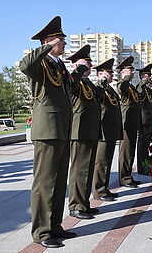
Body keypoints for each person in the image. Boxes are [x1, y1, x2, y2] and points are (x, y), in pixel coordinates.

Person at [19, 16, 86, 248]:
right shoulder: (41, 64)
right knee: (44, 182)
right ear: (50, 41)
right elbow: (24, 66)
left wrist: (77, 73)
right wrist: (46, 45)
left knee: (58, 182)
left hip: (62, 129)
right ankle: (41, 231)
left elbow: (67, 90)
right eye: (62, 40)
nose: (65, 44)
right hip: (47, 129)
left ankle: (55, 226)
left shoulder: (59, 65)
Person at [66, 45, 100, 220]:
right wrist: (79, 68)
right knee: (79, 169)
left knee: (87, 170)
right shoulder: (74, 79)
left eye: (90, 63)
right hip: (79, 132)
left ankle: (84, 203)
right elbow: (71, 85)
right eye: (87, 62)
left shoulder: (88, 83)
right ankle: (76, 205)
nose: (90, 66)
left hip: (90, 130)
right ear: (76, 64)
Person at [93, 58, 123, 201]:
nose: (112, 75)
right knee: (101, 162)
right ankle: (99, 191)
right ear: (101, 74)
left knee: (107, 161)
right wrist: (101, 82)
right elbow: (97, 98)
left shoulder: (109, 89)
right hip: (103, 130)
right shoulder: (99, 87)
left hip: (111, 130)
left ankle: (104, 187)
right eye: (109, 73)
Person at [116, 56, 141, 188]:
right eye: (130, 70)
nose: (132, 73)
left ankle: (128, 176)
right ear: (123, 71)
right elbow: (121, 89)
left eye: (133, 71)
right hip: (126, 122)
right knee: (125, 152)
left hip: (132, 122)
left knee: (130, 151)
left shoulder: (131, 86)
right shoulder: (121, 83)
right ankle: (124, 178)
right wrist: (125, 77)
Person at [136, 64, 152, 175]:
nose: (150, 78)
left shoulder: (148, 89)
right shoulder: (140, 87)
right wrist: (143, 81)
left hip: (148, 119)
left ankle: (145, 165)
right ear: (143, 76)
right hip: (143, 120)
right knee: (142, 145)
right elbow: (138, 91)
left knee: (146, 144)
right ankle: (141, 167)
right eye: (148, 76)